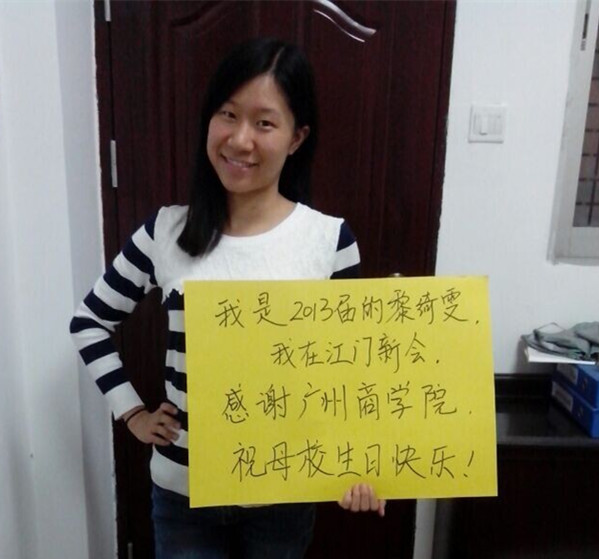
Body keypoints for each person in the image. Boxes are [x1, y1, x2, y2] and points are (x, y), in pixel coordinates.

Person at [70, 37, 385, 558]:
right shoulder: (165, 232)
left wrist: (362, 466)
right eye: (228, 114)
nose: (240, 140)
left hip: (285, 493)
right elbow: (89, 322)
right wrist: (132, 413)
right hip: (184, 493)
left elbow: (351, 371)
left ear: (297, 137)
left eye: (265, 123)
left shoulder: (329, 241)